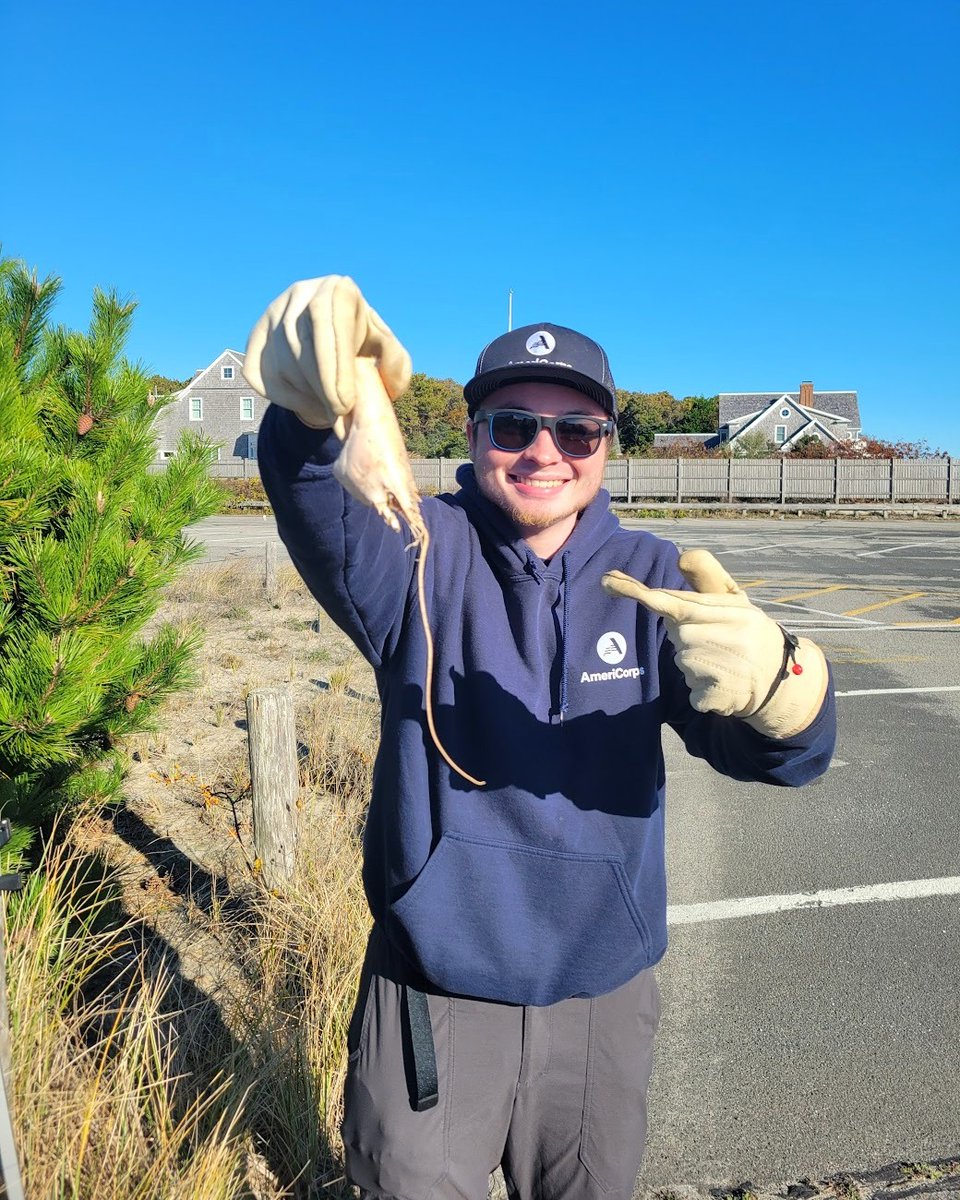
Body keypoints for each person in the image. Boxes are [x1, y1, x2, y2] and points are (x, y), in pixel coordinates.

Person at [245, 276, 837, 1200]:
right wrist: (307, 410)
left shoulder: (653, 577)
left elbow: (781, 757)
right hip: (434, 985)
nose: (543, 452)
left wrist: (782, 689)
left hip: (601, 994)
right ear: (473, 434)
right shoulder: (414, 547)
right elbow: (315, 496)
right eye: (514, 425)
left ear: (608, 445)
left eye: (577, 431)